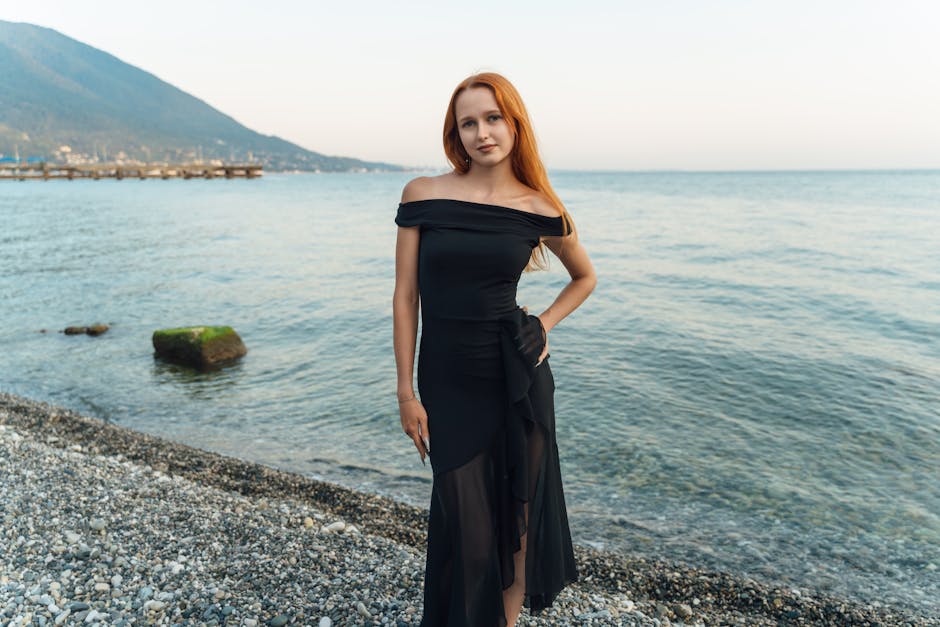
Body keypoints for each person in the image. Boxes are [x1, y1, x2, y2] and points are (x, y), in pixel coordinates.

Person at [393, 72, 596, 627]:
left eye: (493, 118)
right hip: (447, 381)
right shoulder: (422, 195)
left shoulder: (540, 207)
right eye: (469, 122)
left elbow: (584, 278)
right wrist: (405, 391)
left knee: (520, 521)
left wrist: (545, 324)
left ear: (514, 124)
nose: (482, 132)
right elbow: (404, 296)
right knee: (471, 528)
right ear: (455, 134)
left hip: (518, 375)